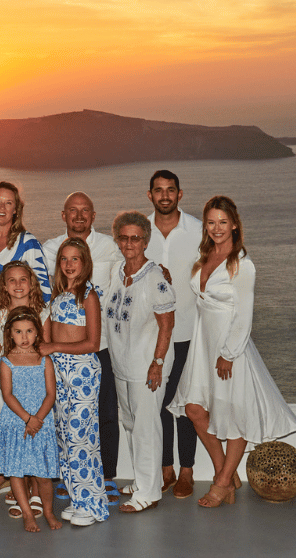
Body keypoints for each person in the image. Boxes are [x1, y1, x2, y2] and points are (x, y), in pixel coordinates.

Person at [168, 196, 296, 507]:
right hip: (203, 344)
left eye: (223, 222)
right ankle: (224, 473)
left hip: (229, 348)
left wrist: (228, 354)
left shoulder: (242, 264)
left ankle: (222, 483)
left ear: (234, 225)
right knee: (194, 409)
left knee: (233, 414)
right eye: (211, 222)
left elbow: (244, 315)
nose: (217, 228)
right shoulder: (204, 256)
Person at [42, 191, 122, 505]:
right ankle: (69, 476)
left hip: (98, 348)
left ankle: (107, 477)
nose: (78, 216)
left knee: (105, 415)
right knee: (63, 418)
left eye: (85, 210)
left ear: (93, 215)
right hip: (59, 358)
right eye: (72, 210)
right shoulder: (49, 249)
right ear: (63, 215)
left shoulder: (110, 247)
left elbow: (130, 270)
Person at [0, 181, 51, 457]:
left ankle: (21, 465)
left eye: (9, 202)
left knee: (18, 392)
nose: (2, 207)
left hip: (18, 334)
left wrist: (31, 339)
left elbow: (42, 293)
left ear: (17, 209)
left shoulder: (27, 243)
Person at [105, 211, 175, 514]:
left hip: (147, 366)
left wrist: (157, 363)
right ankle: (143, 479)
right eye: (123, 237)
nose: (129, 243)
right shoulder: (116, 271)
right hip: (122, 365)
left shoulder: (155, 277)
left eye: (135, 238)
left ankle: (149, 492)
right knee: (131, 424)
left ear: (145, 241)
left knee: (146, 427)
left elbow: (167, 324)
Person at [42, 238, 109, 526]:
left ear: (85, 263)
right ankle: (77, 498)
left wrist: (54, 347)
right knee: (64, 438)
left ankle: (92, 503)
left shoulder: (88, 296)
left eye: (75, 259)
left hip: (82, 374)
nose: (69, 265)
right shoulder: (58, 296)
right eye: (64, 259)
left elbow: (92, 343)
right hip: (59, 372)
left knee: (80, 438)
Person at [144, 170, 202, 498]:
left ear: (180, 194)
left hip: (190, 331)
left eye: (170, 190)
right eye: (158, 190)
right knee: (160, 403)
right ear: (150, 195)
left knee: (185, 405)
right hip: (151, 334)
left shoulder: (197, 230)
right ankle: (166, 469)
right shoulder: (141, 230)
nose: (164, 196)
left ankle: (187, 471)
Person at [0, 260, 50, 510]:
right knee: (15, 437)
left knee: (35, 437)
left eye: (23, 279)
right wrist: (8, 390)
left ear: (31, 284)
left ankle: (34, 489)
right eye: (12, 280)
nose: (18, 285)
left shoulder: (43, 313)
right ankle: (16, 482)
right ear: (4, 286)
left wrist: (35, 391)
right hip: (9, 391)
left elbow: (45, 352)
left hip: (38, 390)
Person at [0, 307, 61, 533]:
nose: (24, 337)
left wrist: (37, 419)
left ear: (37, 332)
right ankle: (27, 513)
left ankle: (48, 511)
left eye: (29, 331)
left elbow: (51, 394)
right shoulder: (6, 361)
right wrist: (27, 418)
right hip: (16, 422)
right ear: (10, 334)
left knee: (43, 475)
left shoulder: (44, 360)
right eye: (18, 332)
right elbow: (7, 394)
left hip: (41, 422)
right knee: (16, 472)